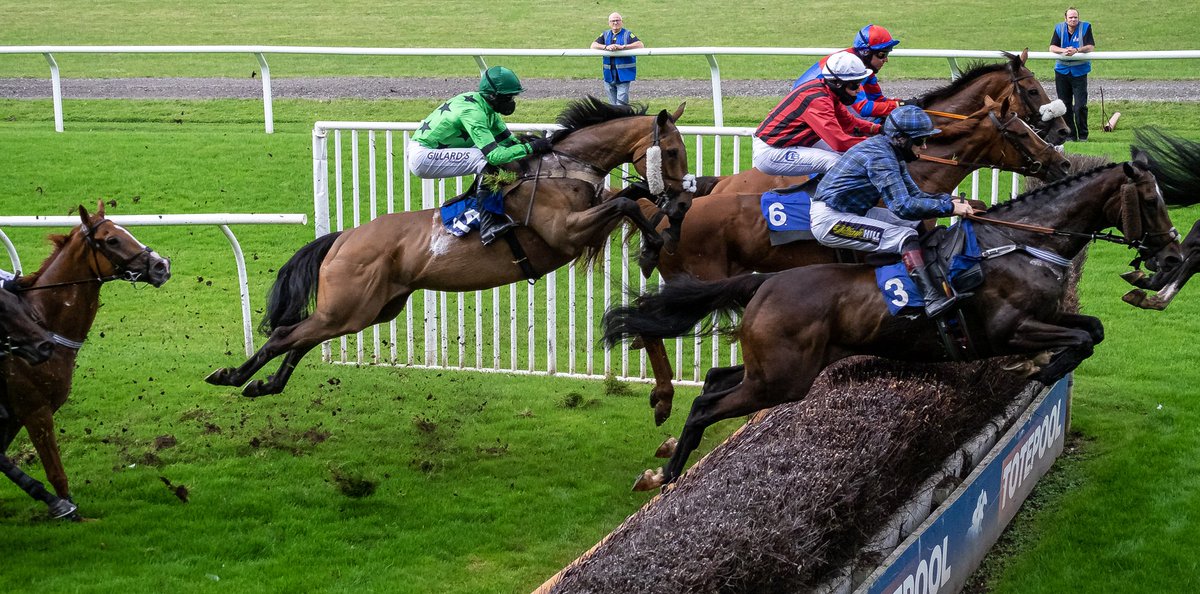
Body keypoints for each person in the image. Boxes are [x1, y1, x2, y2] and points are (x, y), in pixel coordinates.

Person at [810, 105, 976, 317]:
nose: (924, 147)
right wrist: (950, 208)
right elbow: (902, 206)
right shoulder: (881, 158)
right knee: (904, 236)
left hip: (852, 212)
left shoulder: (890, 152)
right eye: (919, 141)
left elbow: (915, 196)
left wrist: (949, 200)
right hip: (830, 221)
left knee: (913, 226)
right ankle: (932, 298)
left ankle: (934, 276)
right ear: (900, 138)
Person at [408, 66, 552, 244]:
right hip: (423, 157)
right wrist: (531, 148)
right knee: (483, 159)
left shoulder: (487, 109)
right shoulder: (473, 112)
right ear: (493, 96)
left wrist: (539, 146)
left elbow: (509, 143)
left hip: (430, 152)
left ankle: (486, 210)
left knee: (495, 160)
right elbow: (495, 155)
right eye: (508, 97)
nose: (512, 101)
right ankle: (488, 224)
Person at [753, 52, 882, 178]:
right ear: (838, 83)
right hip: (771, 151)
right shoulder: (818, 100)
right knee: (836, 162)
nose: (859, 90)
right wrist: (878, 144)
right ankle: (822, 200)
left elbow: (849, 123)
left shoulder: (827, 91)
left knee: (845, 156)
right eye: (854, 85)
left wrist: (878, 129)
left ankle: (819, 195)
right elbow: (839, 142)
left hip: (787, 143)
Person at [793, 24, 905, 120]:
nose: (886, 60)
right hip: (804, 112)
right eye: (882, 54)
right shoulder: (852, 67)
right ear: (866, 53)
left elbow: (877, 99)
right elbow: (864, 108)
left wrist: (907, 104)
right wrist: (899, 105)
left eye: (887, 54)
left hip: (814, 103)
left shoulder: (862, 65)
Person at [1050, 7, 1095, 141]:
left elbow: (1090, 46)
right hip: (1061, 72)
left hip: (1080, 72)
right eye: (1071, 17)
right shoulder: (1059, 28)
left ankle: (1083, 135)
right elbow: (1052, 47)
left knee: (1080, 106)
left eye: (1075, 17)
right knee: (1065, 105)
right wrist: (1064, 51)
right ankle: (1070, 135)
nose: (1073, 19)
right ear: (1066, 19)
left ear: (1078, 18)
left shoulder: (1085, 27)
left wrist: (1076, 50)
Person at [590, 12, 644, 105]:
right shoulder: (605, 34)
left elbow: (640, 45)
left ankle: (624, 119)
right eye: (613, 21)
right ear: (609, 23)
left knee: (621, 105)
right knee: (612, 106)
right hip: (609, 75)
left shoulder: (628, 34)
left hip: (623, 75)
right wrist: (606, 47)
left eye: (617, 20)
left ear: (622, 22)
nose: (615, 23)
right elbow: (593, 45)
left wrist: (623, 47)